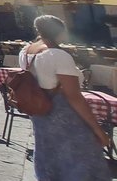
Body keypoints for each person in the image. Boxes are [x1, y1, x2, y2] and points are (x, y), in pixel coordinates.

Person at [20, 15, 109, 180]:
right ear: (59, 31)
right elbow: (74, 97)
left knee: (49, 155)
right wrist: (98, 129)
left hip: (40, 112)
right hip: (64, 114)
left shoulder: (26, 51)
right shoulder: (57, 55)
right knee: (79, 159)